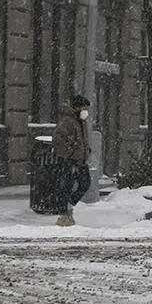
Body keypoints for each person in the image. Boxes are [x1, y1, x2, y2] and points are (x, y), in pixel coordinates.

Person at [52, 95, 92, 227]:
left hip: (80, 160)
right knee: (67, 187)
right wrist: (69, 155)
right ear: (77, 108)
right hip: (71, 160)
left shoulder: (80, 122)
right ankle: (64, 214)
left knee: (84, 184)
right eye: (84, 108)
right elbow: (59, 140)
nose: (86, 111)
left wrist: (86, 151)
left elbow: (80, 140)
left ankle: (68, 207)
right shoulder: (68, 121)